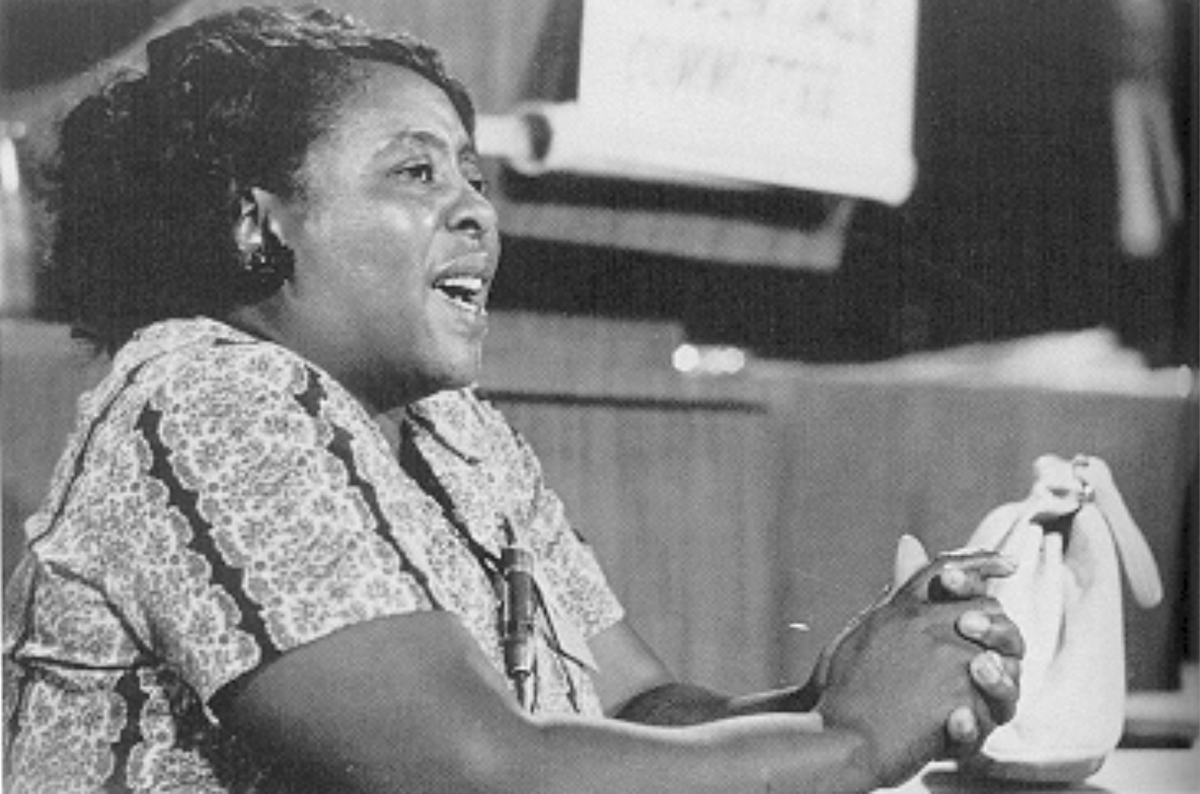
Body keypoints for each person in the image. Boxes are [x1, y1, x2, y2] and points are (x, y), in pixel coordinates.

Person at [2, 6, 1024, 792]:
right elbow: (475, 771)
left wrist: (832, 686)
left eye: (476, 178)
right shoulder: (205, 391)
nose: (475, 214)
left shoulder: (454, 430)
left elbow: (637, 707)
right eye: (415, 172)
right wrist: (842, 743)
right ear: (252, 224)